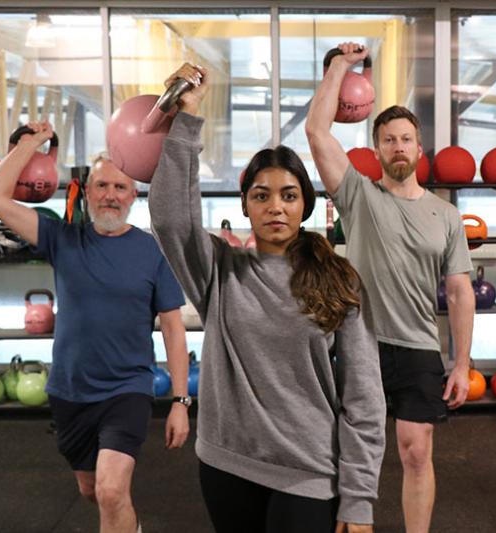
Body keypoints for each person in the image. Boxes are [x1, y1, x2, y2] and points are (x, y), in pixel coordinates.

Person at [148, 63, 386, 533]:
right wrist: (187, 121)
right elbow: (172, 221)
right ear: (245, 206)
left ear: (305, 205)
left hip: (308, 471)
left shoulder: (339, 280)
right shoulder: (219, 270)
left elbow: (364, 396)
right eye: (261, 196)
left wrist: (358, 497)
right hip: (226, 463)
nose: (275, 206)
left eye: (289, 195)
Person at [305, 42, 476, 533]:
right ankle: (352, 523)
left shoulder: (445, 215)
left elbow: (461, 293)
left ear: (418, 148)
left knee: (415, 451)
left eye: (406, 139)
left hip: (418, 346)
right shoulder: (359, 195)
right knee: (351, 447)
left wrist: (461, 363)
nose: (398, 147)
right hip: (360, 344)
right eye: (389, 139)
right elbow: (317, 131)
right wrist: (340, 66)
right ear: (377, 148)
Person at [0, 124, 190, 533]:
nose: (110, 195)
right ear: (87, 192)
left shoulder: (153, 251)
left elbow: (172, 328)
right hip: (70, 392)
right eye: (101, 185)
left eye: (120, 187)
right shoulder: (62, 239)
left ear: (133, 196)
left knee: (111, 490)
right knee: (91, 491)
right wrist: (31, 144)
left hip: (127, 390)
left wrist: (179, 401)